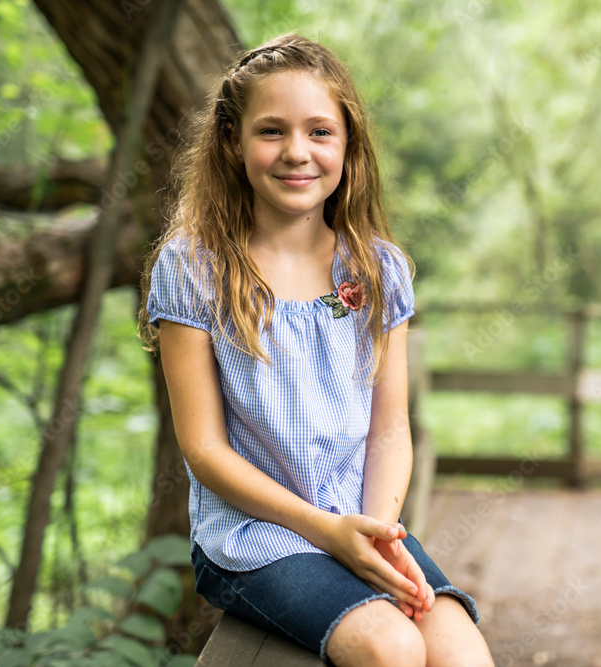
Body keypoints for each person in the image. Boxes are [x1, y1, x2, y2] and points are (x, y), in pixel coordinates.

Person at [137, 32, 494, 666]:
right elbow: (204, 449)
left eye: (320, 132)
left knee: (462, 653)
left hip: (359, 523)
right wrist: (327, 532)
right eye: (271, 131)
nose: (296, 152)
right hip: (253, 537)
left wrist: (376, 531)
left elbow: (390, 430)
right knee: (391, 649)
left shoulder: (377, 269)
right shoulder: (193, 268)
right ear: (232, 141)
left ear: (348, 143)